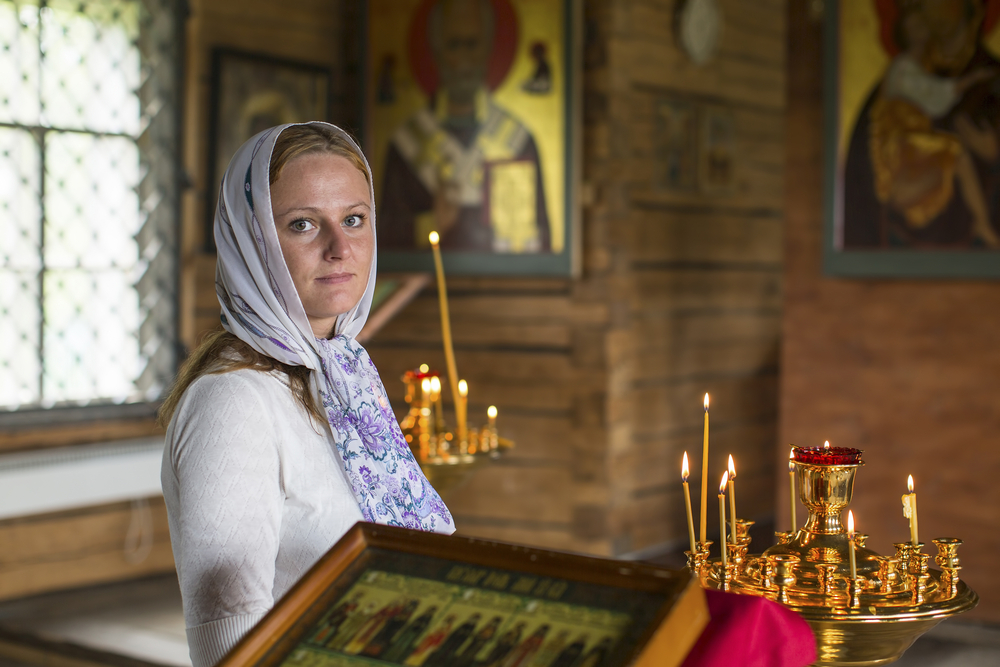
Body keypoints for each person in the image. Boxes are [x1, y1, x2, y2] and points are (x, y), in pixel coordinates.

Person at [158, 121, 454, 667]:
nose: (340, 248)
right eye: (303, 224)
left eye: (354, 219)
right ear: (252, 243)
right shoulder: (233, 402)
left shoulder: (345, 374)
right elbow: (232, 644)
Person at [379, 0, 551, 253]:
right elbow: (381, 237)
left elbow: (541, 240)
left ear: (488, 49)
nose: (463, 60)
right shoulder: (406, 144)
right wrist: (429, 224)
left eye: (472, 45)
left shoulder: (518, 141)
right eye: (454, 45)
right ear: (437, 52)